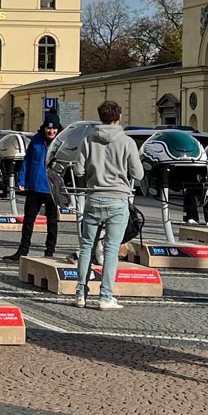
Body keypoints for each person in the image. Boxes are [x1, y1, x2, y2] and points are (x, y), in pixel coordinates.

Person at [73, 101, 143, 311]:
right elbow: (138, 174)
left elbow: (78, 171)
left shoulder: (88, 140)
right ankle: (106, 297)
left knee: (86, 247)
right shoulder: (127, 142)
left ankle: (80, 294)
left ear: (100, 117)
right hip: (118, 200)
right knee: (111, 250)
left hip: (93, 198)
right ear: (119, 117)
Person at [3, 116, 62, 262]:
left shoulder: (61, 143)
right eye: (49, 128)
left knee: (52, 222)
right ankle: (22, 250)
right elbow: (27, 162)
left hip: (52, 189)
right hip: (34, 187)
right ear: (44, 128)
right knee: (28, 221)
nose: (51, 131)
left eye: (54, 128)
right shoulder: (35, 140)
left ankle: (49, 251)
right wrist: (22, 180)